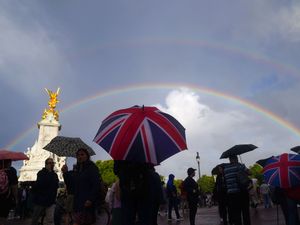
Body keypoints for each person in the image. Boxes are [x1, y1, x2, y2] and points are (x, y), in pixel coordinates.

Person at [62, 148, 102, 225]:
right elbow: (71, 184)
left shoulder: (92, 168)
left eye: (82, 154)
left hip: (87, 203)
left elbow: (96, 185)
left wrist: (90, 199)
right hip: (78, 203)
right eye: (78, 155)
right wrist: (65, 173)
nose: (80, 156)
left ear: (87, 156)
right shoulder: (77, 169)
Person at [223, 155, 251, 225]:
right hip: (241, 192)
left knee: (236, 213)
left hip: (231, 194)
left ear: (229, 159)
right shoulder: (240, 166)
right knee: (245, 212)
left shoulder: (225, 169)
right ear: (235, 159)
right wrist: (243, 166)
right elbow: (250, 173)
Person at [31, 158, 59, 225]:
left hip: (50, 201)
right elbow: (41, 184)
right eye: (50, 163)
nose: (52, 164)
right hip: (40, 200)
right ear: (46, 164)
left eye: (53, 163)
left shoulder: (55, 175)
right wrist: (49, 173)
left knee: (50, 220)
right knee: (35, 219)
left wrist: (54, 197)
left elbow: (55, 186)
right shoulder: (41, 173)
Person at [0, 159, 18, 225]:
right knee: (3, 217)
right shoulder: (12, 171)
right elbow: (14, 187)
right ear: (9, 163)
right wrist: (16, 198)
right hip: (6, 197)